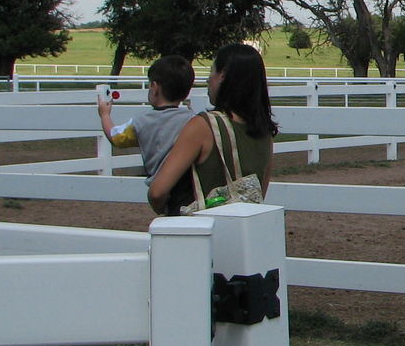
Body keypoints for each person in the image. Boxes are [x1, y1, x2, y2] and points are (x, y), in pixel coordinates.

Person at [148, 43, 276, 216]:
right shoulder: (265, 132)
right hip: (241, 234)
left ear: (222, 75)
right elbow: (260, 192)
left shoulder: (203, 126)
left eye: (212, 71)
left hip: (202, 231)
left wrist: (165, 210)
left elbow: (157, 192)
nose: (209, 79)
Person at [97, 55, 194, 189]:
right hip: (187, 187)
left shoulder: (141, 122)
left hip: (159, 185)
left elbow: (116, 137)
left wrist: (105, 115)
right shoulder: (193, 120)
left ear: (154, 87)